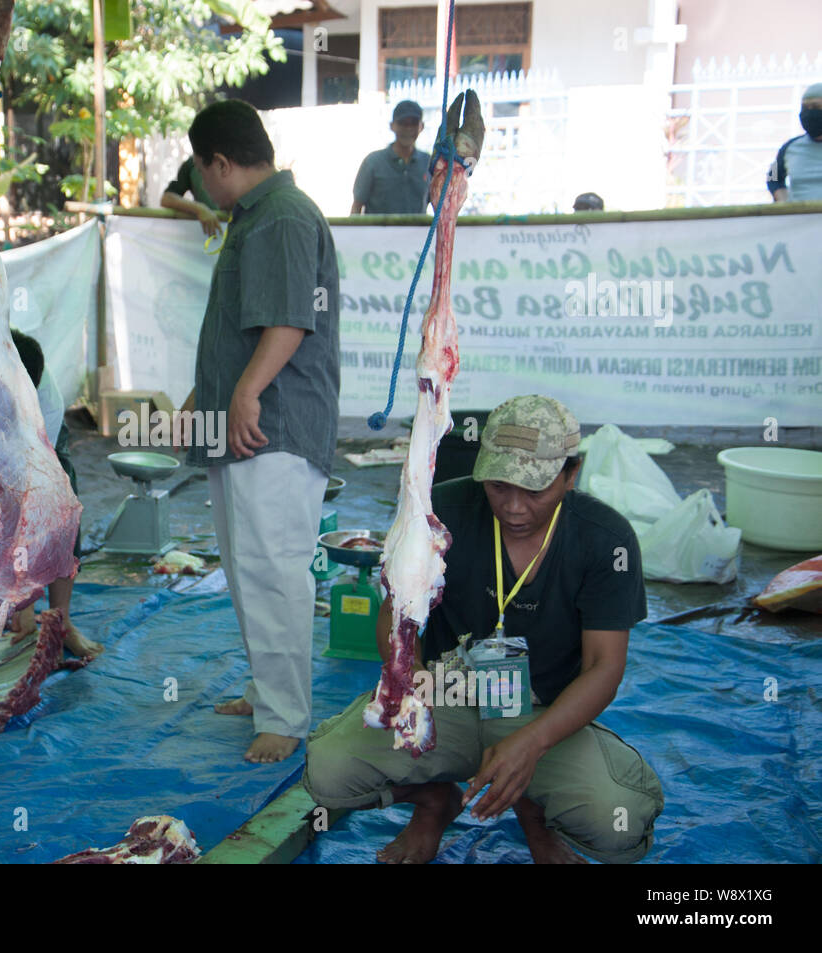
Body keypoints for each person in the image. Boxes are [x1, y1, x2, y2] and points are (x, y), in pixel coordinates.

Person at [303, 396, 665, 864]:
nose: (514, 507)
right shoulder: (438, 512)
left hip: (539, 713)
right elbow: (397, 614)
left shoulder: (605, 539)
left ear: (571, 474)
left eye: (534, 490)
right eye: (498, 486)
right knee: (330, 771)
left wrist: (531, 744)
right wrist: (409, 685)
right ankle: (435, 801)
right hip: (442, 698)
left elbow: (604, 666)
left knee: (618, 821)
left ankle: (535, 816)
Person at [177, 99, 340, 764]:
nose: (199, 185)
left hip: (272, 423)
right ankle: (269, 688)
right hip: (242, 421)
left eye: (200, 170)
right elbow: (238, 330)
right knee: (248, 567)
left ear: (219, 162)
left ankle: (285, 715)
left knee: (273, 570)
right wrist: (205, 395)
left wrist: (244, 390)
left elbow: (288, 322)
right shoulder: (258, 217)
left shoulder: (280, 217)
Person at [0, 330, 103, 661]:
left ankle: (61, 622)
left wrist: (23, 593)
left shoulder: (45, 406)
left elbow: (29, 499)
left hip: (34, 457)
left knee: (63, 503)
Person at [350, 100, 431, 215]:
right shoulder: (372, 162)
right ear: (392, 126)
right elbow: (357, 206)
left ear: (421, 127)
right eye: (402, 123)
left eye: (413, 123)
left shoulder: (429, 163)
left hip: (418, 233)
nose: (408, 129)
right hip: (377, 233)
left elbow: (441, 203)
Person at [768, 82, 822, 202]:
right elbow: (772, 177)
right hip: (800, 218)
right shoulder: (789, 148)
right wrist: (782, 201)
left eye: (815, 107)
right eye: (805, 108)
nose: (809, 112)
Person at [160, 156, 222, 236]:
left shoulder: (240, 158)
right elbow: (167, 198)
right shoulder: (193, 162)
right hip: (207, 237)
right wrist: (200, 209)